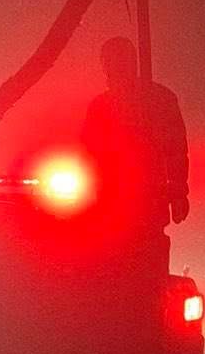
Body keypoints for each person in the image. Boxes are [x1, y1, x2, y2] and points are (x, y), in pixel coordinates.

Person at [81, 36, 189, 241]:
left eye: (119, 60)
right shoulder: (100, 107)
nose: (115, 67)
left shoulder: (159, 99)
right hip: (115, 207)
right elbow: (88, 154)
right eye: (110, 61)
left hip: (145, 204)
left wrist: (178, 193)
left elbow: (176, 150)